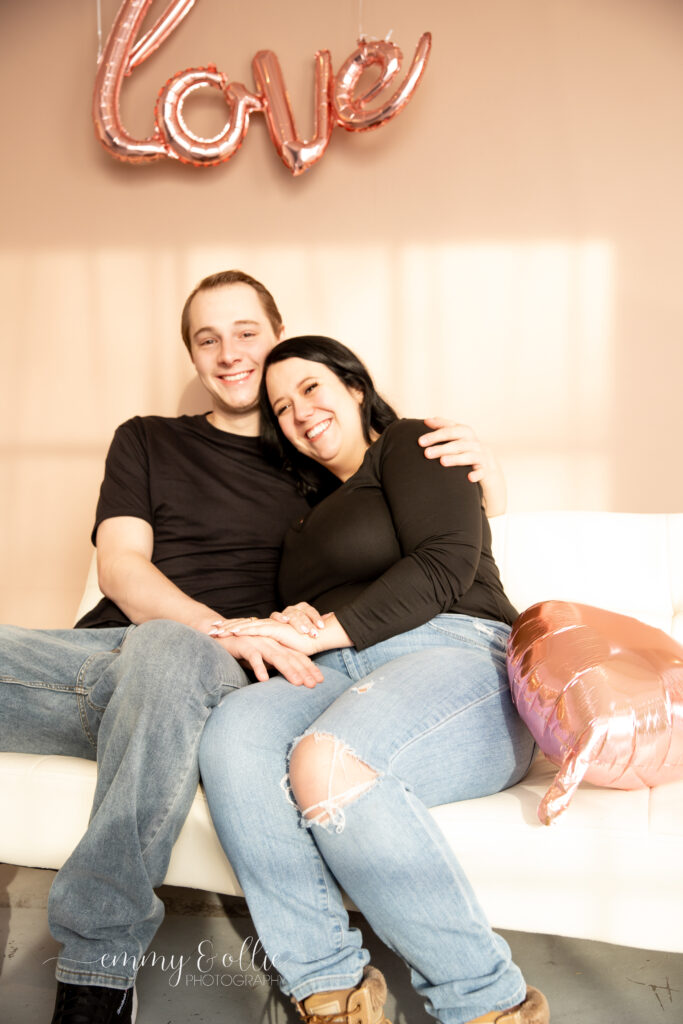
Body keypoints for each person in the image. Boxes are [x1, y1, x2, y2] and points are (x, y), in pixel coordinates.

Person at [0, 270, 502, 1024]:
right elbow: (122, 567)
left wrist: (488, 476)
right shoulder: (148, 438)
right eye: (207, 338)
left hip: (204, 666)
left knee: (177, 659)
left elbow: (432, 543)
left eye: (247, 334)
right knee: (171, 664)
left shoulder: (310, 465)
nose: (228, 353)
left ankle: (96, 974)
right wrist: (223, 626)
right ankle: (332, 993)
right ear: (193, 356)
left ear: (278, 342)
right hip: (113, 658)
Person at [199, 336, 549, 1024]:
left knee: (328, 762)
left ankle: (487, 1005)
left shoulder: (411, 443)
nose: (297, 410)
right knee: (232, 733)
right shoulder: (304, 520)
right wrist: (291, 620)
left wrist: (323, 628)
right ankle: (332, 994)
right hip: (343, 670)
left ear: (355, 388)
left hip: (455, 650)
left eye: (310, 387)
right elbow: (324, 609)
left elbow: (447, 560)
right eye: (280, 406)